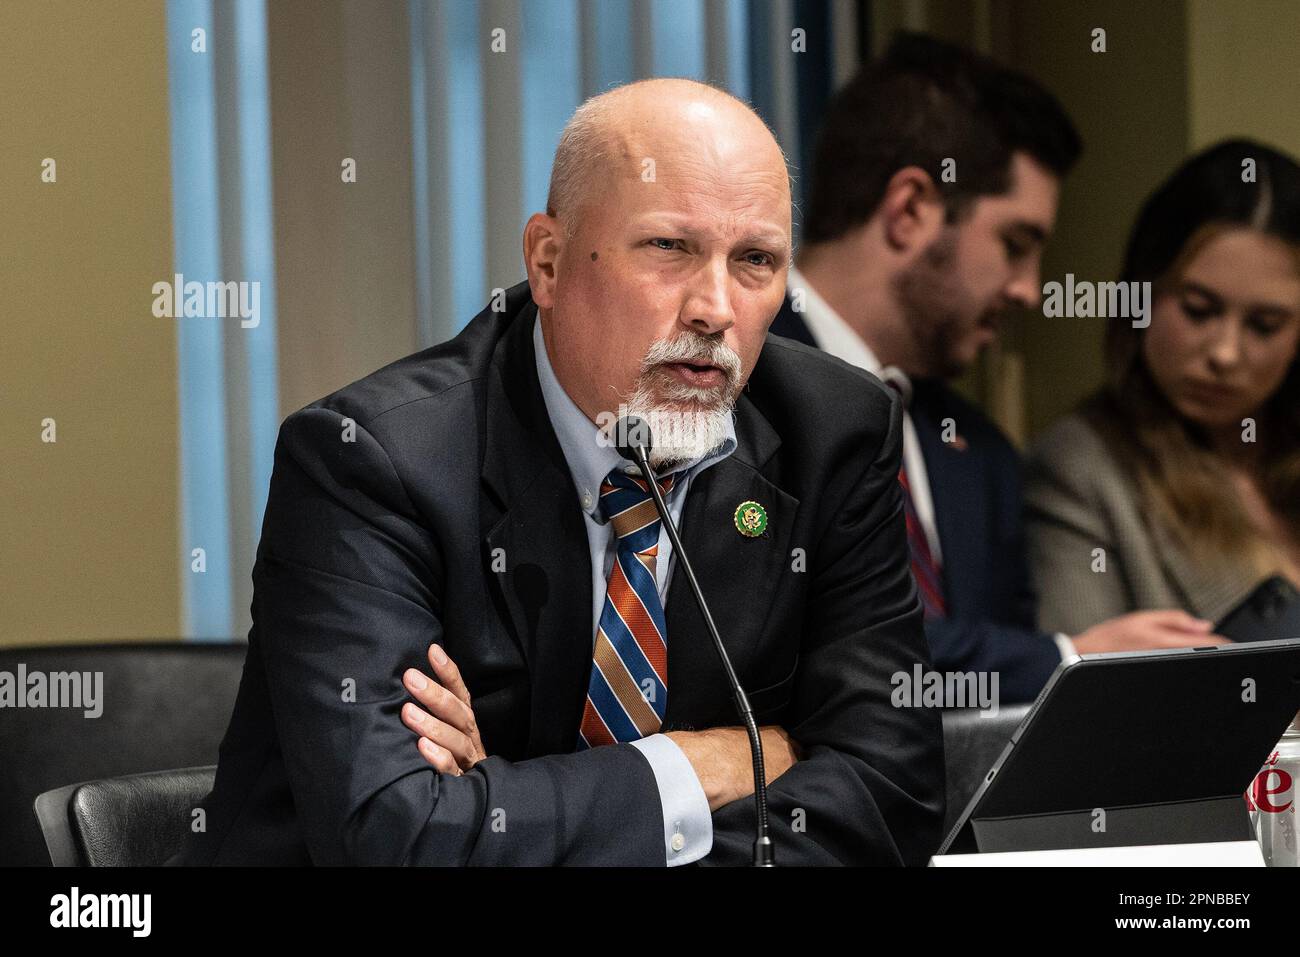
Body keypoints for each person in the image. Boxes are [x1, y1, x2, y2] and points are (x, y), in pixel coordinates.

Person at [172, 78, 944, 867]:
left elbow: (893, 796)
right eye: (670, 248)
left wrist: (506, 795)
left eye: (754, 260)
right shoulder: (370, 460)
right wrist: (698, 766)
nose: (715, 309)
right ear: (547, 260)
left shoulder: (834, 433)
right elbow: (401, 837)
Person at [770, 32, 1216, 705]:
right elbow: (821, 645)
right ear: (912, 210)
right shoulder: (733, 391)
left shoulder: (981, 456)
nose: (1029, 290)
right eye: (1016, 244)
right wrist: (1066, 656)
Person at [1025, 139, 1300, 635]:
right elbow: (1089, 699)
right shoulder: (1082, 471)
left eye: (1265, 324)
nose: (1225, 353)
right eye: (1197, 310)